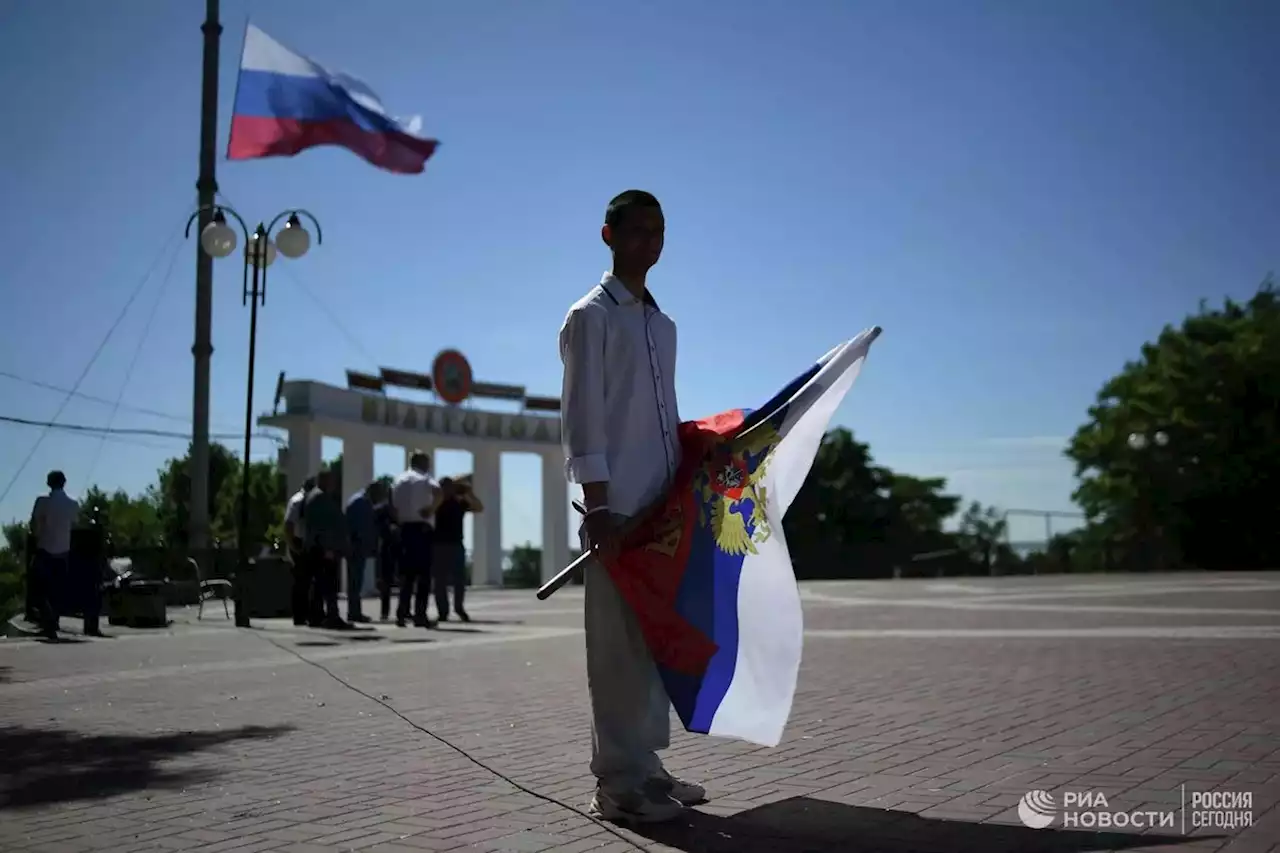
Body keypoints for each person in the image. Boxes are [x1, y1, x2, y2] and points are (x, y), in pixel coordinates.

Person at [558, 190, 704, 823]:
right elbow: (582, 415)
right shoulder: (590, 317)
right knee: (616, 649)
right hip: (617, 514)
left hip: (661, 511)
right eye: (637, 229)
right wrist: (598, 506)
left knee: (651, 646)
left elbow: (664, 414)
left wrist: (686, 481)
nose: (651, 240)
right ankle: (617, 785)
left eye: (659, 229)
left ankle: (647, 767)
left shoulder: (661, 324)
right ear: (607, 235)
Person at [390, 451, 442, 628]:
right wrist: (431, 508)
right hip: (421, 528)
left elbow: (394, 507)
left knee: (406, 575)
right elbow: (438, 492)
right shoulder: (424, 478)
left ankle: (401, 613)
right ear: (423, 463)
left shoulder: (399, 480)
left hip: (404, 529)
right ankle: (420, 615)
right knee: (423, 576)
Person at [28, 470, 80, 640]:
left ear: (49, 483)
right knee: (57, 591)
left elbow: (34, 524)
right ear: (64, 483)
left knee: (39, 589)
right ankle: (53, 621)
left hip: (44, 549)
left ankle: (47, 622)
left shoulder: (42, 502)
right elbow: (76, 524)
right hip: (64, 551)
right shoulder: (72, 504)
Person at [433, 476, 484, 622]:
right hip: (439, 544)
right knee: (439, 581)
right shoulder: (436, 503)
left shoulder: (458, 502)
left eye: (450, 487)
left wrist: (469, 493)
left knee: (459, 580)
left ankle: (459, 608)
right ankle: (443, 611)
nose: (448, 490)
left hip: (456, 544)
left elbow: (479, 508)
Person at [302, 470, 349, 629]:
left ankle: (316, 616)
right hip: (323, 548)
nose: (334, 484)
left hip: (318, 547)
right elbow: (323, 526)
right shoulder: (320, 498)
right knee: (328, 584)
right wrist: (328, 548)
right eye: (331, 481)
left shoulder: (313, 496)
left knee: (320, 585)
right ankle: (331, 616)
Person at [344, 481, 385, 623]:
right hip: (356, 547)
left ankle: (354, 611)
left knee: (356, 581)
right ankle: (354, 612)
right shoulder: (361, 503)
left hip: (357, 546)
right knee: (355, 581)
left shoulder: (360, 501)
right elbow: (360, 528)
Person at [285, 476, 316, 626]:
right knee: (301, 582)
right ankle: (299, 615)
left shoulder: (310, 501)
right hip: (300, 541)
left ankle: (308, 614)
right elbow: (289, 524)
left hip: (308, 543)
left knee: (308, 581)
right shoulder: (298, 501)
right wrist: (292, 546)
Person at [374, 497, 400, 622]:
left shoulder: (381, 509)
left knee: (387, 583)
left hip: (389, 548)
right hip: (389, 548)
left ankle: (386, 612)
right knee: (387, 582)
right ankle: (389, 611)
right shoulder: (383, 511)